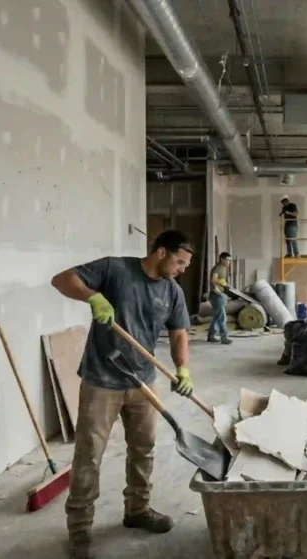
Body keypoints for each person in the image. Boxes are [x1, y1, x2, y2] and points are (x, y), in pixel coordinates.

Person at [51, 229, 194, 559]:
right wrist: (92, 297)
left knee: (143, 450)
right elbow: (62, 280)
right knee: (89, 456)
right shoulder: (115, 270)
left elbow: (179, 334)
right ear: (161, 252)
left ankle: (137, 510)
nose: (182, 270)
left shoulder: (172, 291)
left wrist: (183, 368)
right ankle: (80, 529)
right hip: (102, 379)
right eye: (180, 262)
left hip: (142, 382)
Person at [207, 252, 233, 344]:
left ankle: (211, 336)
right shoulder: (217, 268)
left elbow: (220, 281)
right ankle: (224, 337)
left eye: (230, 260)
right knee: (222, 317)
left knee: (217, 316)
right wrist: (220, 294)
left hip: (220, 295)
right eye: (227, 260)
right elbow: (213, 282)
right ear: (222, 259)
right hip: (216, 296)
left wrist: (226, 287)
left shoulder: (224, 268)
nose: (229, 262)